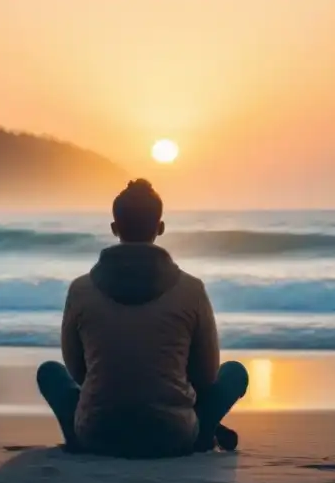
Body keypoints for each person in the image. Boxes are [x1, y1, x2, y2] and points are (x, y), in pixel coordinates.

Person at [37, 178, 249, 458]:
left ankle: (78, 437)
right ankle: (205, 431)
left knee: (50, 373)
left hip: (98, 434)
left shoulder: (81, 289)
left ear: (114, 229)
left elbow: (78, 372)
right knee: (234, 373)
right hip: (173, 436)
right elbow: (206, 376)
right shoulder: (191, 289)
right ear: (160, 228)